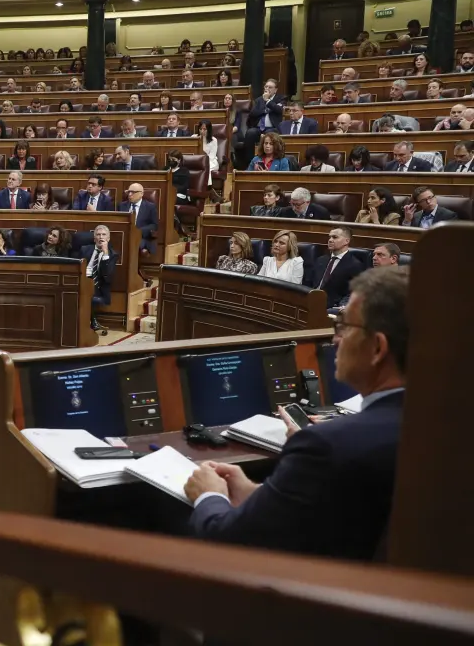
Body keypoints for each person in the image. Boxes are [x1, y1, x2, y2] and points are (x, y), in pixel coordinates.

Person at [184, 268, 409, 561]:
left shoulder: (326, 445)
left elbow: (226, 539)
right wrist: (257, 493)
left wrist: (209, 494)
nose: (335, 340)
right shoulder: (443, 430)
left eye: (344, 326)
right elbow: (338, 515)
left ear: (378, 347)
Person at [305, 226, 366, 310]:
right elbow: (308, 282)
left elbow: (353, 292)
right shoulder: (321, 260)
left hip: (332, 307)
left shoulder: (355, 265)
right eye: (329, 237)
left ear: (347, 241)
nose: (330, 240)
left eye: (335, 237)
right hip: (309, 301)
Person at [81, 224, 117, 331]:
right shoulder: (85, 249)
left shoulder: (112, 255)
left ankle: (92, 322)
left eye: (104, 235)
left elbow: (108, 276)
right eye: (98, 234)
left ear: (108, 239)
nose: (101, 237)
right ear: (94, 238)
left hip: (98, 286)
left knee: (87, 292)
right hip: (82, 279)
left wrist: (105, 254)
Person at [119, 182, 158, 255]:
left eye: (133, 192)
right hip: (124, 236)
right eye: (128, 192)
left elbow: (154, 225)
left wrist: (138, 231)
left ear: (141, 194)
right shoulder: (122, 205)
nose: (129, 194)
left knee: (133, 244)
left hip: (141, 237)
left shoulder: (150, 207)